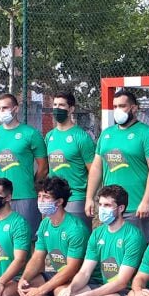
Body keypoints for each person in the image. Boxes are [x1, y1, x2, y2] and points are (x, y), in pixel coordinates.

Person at [57, 184, 148, 296]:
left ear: (120, 208)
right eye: (100, 204)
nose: (102, 209)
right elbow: (84, 271)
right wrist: (71, 289)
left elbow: (122, 282)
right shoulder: (98, 233)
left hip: (129, 292)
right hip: (106, 288)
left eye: (107, 205)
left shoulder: (132, 236)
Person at [16, 177, 92, 296]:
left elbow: (72, 269)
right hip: (63, 276)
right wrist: (24, 278)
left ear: (59, 202)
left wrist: (42, 290)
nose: (41, 201)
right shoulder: (45, 224)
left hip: (84, 279)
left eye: (46, 197)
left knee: (59, 290)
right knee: (31, 281)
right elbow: (37, 257)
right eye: (39, 196)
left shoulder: (75, 228)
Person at [87, 89, 149, 239]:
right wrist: (89, 197)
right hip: (112, 208)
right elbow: (97, 167)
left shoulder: (148, 134)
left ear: (134, 108)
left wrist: (146, 202)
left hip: (138, 209)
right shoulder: (106, 134)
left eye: (122, 106)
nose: (117, 110)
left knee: (141, 254)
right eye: (115, 106)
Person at [0, 92, 48, 235]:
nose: (2, 112)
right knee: (3, 239)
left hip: (25, 195)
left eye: (5, 108)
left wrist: (31, 184)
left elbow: (43, 167)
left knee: (28, 240)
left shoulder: (31, 133)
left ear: (16, 109)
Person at [46, 92, 96, 226]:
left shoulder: (82, 137)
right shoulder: (49, 136)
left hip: (76, 197)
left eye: (62, 105)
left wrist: (90, 198)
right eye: (55, 105)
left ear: (71, 109)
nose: (57, 108)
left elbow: (94, 170)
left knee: (77, 238)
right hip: (53, 197)